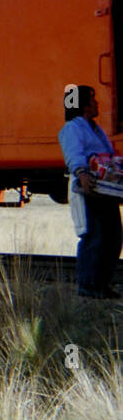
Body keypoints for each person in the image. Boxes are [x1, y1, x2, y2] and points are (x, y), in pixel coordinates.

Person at [58, 85, 122, 299]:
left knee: (113, 237)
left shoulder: (95, 129)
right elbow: (73, 154)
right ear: (84, 105)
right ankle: (88, 286)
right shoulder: (72, 128)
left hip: (104, 190)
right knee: (93, 236)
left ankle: (102, 285)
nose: (97, 104)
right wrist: (82, 172)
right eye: (93, 101)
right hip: (87, 189)